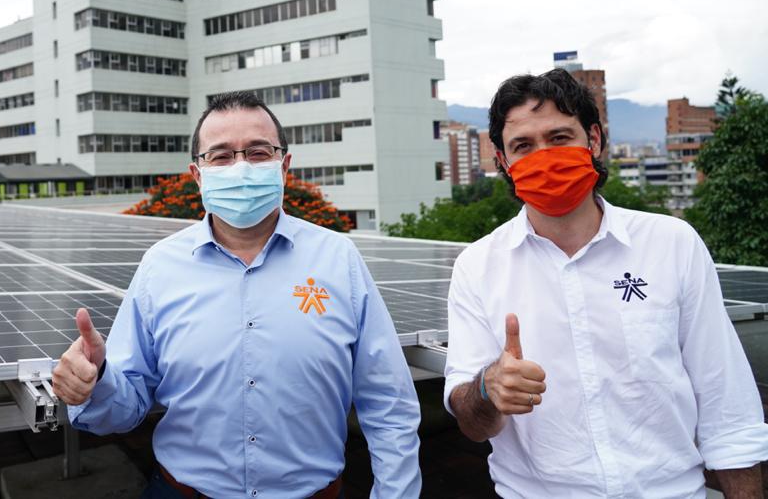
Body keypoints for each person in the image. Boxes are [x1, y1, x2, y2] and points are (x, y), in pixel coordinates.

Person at [52, 91, 421, 498]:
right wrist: (98, 382)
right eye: (222, 156)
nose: (241, 167)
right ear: (198, 174)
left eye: (258, 152)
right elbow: (124, 410)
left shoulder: (339, 260)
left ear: (284, 166)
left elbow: (389, 403)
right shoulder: (160, 267)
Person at [444, 68, 768, 498]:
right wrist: (489, 387)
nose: (544, 156)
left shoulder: (672, 244)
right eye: (523, 146)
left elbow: (727, 406)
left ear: (593, 140)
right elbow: (472, 423)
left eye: (560, 138)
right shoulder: (477, 267)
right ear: (503, 162)